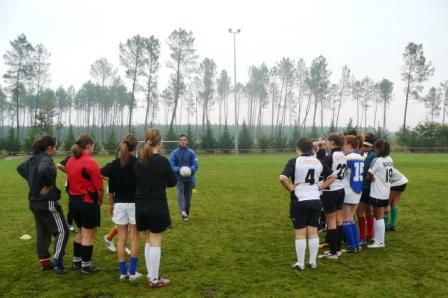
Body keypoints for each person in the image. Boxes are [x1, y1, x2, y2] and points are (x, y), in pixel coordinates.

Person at [279, 137, 336, 271]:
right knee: (313, 233)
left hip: (299, 201)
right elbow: (333, 176)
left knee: (300, 234)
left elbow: (282, 178)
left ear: (298, 148)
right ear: (311, 148)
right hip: (316, 200)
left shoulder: (294, 161)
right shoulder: (318, 161)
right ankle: (312, 262)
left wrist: (290, 188)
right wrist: (321, 187)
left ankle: (300, 263)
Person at [17, 136, 69, 274]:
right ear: (49, 148)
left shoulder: (33, 159)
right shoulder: (46, 160)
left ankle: (45, 263)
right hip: (47, 202)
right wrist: (47, 185)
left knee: (43, 233)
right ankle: (58, 261)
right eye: (55, 147)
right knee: (63, 231)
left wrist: (32, 181)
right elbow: (44, 171)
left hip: (34, 202)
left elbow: (20, 168)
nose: (56, 150)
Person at [135, 128, 177, 288]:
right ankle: (154, 279)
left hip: (140, 206)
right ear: (160, 143)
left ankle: (151, 274)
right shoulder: (162, 161)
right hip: (156, 206)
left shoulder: (138, 161)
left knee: (148, 239)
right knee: (156, 241)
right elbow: (173, 182)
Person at [65, 134, 104, 273]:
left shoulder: (70, 160)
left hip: (73, 202)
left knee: (81, 231)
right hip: (87, 202)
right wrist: (100, 200)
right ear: (88, 146)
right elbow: (99, 187)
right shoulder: (90, 162)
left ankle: (77, 261)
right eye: (93, 146)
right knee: (88, 234)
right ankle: (86, 266)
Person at [106, 133, 142, 281]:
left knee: (121, 239)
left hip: (119, 204)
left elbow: (102, 175)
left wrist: (111, 202)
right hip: (134, 203)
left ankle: (123, 272)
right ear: (136, 147)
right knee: (134, 238)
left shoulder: (114, 164)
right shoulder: (138, 163)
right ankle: (132, 272)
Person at [319, 132, 347, 260]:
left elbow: (321, 170)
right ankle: (338, 249)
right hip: (341, 189)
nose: (326, 144)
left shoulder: (330, 156)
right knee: (339, 220)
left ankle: (333, 251)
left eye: (328, 142)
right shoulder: (343, 155)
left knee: (331, 221)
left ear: (333, 143)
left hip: (330, 191)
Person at [366, 139, 393, 248]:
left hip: (377, 191)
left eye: (375, 148)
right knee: (379, 216)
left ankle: (379, 241)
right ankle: (376, 239)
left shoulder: (376, 160)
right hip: (386, 191)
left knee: (378, 217)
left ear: (378, 149)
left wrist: (372, 177)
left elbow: (368, 176)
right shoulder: (390, 159)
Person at [342, 134, 364, 253]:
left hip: (348, 190)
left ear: (349, 145)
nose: (342, 147)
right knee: (351, 218)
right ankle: (356, 244)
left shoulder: (347, 158)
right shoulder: (361, 157)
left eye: (343, 144)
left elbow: (342, 174)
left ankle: (352, 245)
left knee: (346, 219)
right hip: (358, 190)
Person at [168, 134, 199, 222]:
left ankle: (186, 212)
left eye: (185, 139)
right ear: (179, 141)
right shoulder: (174, 153)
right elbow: (171, 163)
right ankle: (183, 212)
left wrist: (191, 169)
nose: (183, 141)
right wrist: (178, 170)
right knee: (180, 194)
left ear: (187, 141)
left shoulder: (191, 152)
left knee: (188, 200)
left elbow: (195, 164)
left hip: (190, 179)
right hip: (179, 178)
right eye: (181, 140)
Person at [357, 133, 376, 245]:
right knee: (370, 210)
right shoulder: (374, 155)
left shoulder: (370, 156)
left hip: (365, 187)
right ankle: (370, 235)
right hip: (372, 187)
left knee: (360, 211)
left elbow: (364, 172)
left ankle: (362, 236)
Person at [56, 155, 76, 233]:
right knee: (73, 204)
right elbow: (59, 165)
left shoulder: (86, 159)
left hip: (82, 185)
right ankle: (69, 224)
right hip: (71, 185)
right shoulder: (71, 157)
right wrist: (68, 171)